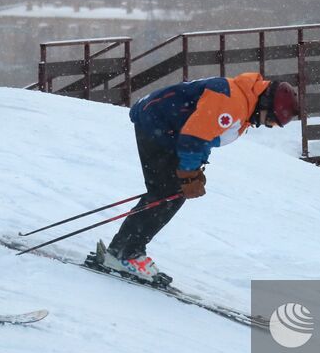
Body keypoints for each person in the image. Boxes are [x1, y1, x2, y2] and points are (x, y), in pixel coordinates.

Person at [95, 73, 299, 285]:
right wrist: (188, 174)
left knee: (171, 193)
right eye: (271, 120)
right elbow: (194, 138)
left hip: (167, 127)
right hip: (156, 124)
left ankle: (124, 251)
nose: (267, 125)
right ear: (265, 103)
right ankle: (124, 254)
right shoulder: (232, 103)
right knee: (166, 193)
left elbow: (206, 136)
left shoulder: (243, 101)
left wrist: (196, 168)